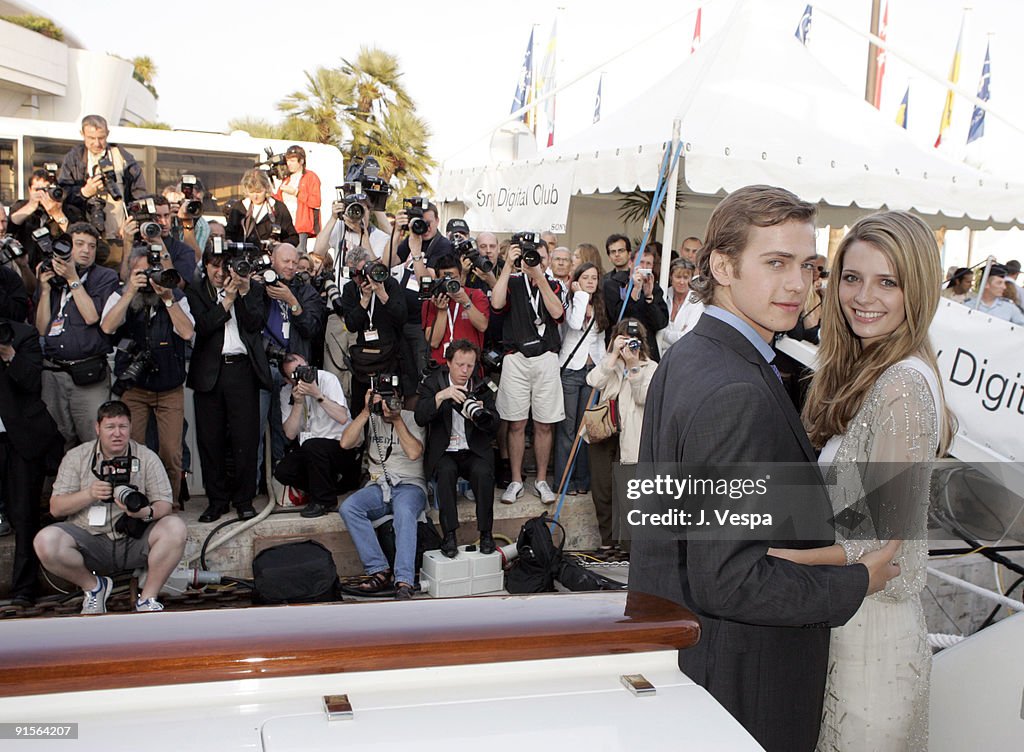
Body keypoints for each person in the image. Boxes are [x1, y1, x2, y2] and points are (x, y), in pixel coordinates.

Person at [631, 185, 900, 752]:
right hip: (744, 680)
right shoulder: (735, 386)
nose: (798, 284)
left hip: (700, 663)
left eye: (808, 265)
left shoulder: (691, 353)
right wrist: (856, 580)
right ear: (722, 265)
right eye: (775, 263)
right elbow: (729, 578)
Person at [771, 210, 954, 752]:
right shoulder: (870, 368)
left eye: (887, 281)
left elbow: (876, 541)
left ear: (915, 289)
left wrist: (767, 560)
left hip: (873, 640)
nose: (863, 296)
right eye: (852, 278)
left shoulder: (901, 384)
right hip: (849, 621)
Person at [33, 400, 188, 613]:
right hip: (90, 537)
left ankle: (148, 598)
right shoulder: (77, 457)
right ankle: (94, 587)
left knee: (175, 527)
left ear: (130, 427)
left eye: (123, 426)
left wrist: (145, 512)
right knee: (45, 541)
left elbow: (164, 503)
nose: (117, 433)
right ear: (98, 428)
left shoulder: (146, 456)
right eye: (110, 427)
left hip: (133, 536)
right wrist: (89, 494)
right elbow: (56, 508)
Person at [100, 247, 195, 504]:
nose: (149, 278)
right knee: (132, 448)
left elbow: (187, 333)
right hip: (134, 386)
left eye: (153, 272)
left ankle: (169, 503)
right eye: (141, 272)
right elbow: (108, 326)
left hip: (169, 387)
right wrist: (130, 291)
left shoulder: (174, 294)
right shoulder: (121, 293)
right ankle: (135, 503)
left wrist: (167, 298)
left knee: (171, 452)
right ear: (131, 272)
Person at [186, 242, 272, 522]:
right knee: (210, 441)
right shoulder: (197, 290)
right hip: (209, 372)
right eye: (215, 265)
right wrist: (227, 299)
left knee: (244, 438)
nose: (221, 273)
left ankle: (244, 499)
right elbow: (204, 325)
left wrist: (243, 292)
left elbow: (254, 324)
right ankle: (217, 500)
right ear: (206, 266)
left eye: (226, 265)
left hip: (242, 371)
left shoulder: (253, 288)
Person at [0, 278, 64, 606]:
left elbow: (29, 382)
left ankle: (24, 589)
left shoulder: (21, 335)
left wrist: (8, 353)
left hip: (21, 439)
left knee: (24, 515)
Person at [492, 237, 566, 504]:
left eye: (540, 257)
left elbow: (558, 313)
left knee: (545, 424)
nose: (534, 260)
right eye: (529, 256)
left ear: (546, 260)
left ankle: (542, 480)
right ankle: (515, 480)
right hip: (517, 358)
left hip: (546, 357)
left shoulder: (556, 284)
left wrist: (540, 278)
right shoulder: (512, 282)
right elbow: (497, 304)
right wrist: (508, 266)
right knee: (516, 423)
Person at [35, 222, 119, 448]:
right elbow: (42, 328)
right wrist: (44, 290)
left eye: (92, 246)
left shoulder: (105, 277)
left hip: (88, 374)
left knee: (93, 443)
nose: (86, 251)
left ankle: (95, 485)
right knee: (54, 443)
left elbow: (92, 316)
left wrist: (72, 279)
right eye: (79, 244)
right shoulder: (53, 276)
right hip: (53, 373)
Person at [339, 385, 426, 601]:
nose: (388, 404)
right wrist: (366, 411)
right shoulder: (372, 417)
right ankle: (378, 569)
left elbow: (415, 452)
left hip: (410, 486)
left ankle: (404, 580)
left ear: (401, 400)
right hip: (378, 486)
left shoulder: (413, 418)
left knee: (404, 512)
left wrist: (397, 420)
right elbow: (345, 442)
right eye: (384, 399)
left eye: (392, 399)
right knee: (349, 508)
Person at [415, 339, 499, 558]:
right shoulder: (433, 383)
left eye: (470, 366)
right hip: (445, 451)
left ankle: (486, 533)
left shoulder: (481, 386)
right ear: (449, 363)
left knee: (483, 472)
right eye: (460, 365)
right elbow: (420, 417)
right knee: (445, 472)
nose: (465, 370)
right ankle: (449, 534)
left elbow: (496, 425)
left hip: (473, 450)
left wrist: (484, 414)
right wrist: (442, 396)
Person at [586, 318, 657, 548]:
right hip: (604, 433)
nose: (630, 345)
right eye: (625, 338)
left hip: (632, 436)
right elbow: (593, 381)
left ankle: (629, 548)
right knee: (602, 489)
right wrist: (613, 355)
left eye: (633, 340)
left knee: (628, 494)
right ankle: (607, 541)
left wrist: (634, 365)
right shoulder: (612, 362)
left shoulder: (651, 367)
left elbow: (643, 397)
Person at [274, 354, 359, 518]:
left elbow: (342, 418)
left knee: (312, 446)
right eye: (296, 374)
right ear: (287, 380)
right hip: (311, 451)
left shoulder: (327, 379)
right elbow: (290, 434)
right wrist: (298, 403)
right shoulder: (286, 393)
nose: (303, 376)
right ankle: (327, 486)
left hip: (339, 446)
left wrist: (317, 394)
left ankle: (324, 501)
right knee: (283, 471)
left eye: (304, 368)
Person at [57, 115, 147, 268]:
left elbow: (140, 195)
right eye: (91, 138)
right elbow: (61, 195)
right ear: (82, 134)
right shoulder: (73, 158)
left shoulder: (124, 158)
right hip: (84, 235)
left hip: (116, 236)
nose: (97, 143)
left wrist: (130, 221)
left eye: (101, 137)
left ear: (108, 134)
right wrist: (84, 192)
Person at [554, 262, 608, 497]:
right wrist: (580, 296)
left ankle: (582, 480)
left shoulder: (600, 305)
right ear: (577, 280)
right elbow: (575, 324)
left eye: (594, 278)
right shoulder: (574, 300)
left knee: (585, 429)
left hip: (590, 372)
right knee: (567, 429)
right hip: (570, 371)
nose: (590, 281)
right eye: (585, 277)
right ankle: (564, 481)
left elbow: (600, 342)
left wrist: (604, 371)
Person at [601, 240, 669, 360]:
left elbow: (661, 323)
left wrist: (649, 298)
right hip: (619, 351)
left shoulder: (655, 289)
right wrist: (634, 291)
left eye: (648, 264)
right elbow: (616, 317)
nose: (644, 267)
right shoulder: (613, 284)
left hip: (646, 352)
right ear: (631, 263)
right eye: (641, 262)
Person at [421, 254, 489, 366]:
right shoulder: (431, 302)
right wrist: (442, 311)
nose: (449, 283)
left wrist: (466, 302)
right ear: (437, 279)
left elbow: (482, 326)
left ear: (461, 275)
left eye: (453, 278)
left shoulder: (475, 295)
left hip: (468, 365)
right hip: (441, 365)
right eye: (445, 279)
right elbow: (433, 342)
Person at [226, 169, 299, 247]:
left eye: (259, 192)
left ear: (266, 188)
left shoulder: (278, 208)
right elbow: (229, 234)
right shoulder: (239, 208)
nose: (255, 196)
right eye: (251, 192)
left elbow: (293, 238)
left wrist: (280, 245)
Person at [273, 145, 321, 249]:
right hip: (285, 226)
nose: (289, 164)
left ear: (301, 161)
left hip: (300, 227)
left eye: (293, 160)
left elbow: (316, 202)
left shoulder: (311, 177)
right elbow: (279, 200)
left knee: (299, 257)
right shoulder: (286, 179)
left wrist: (296, 193)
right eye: (288, 160)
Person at [657, 258, 704, 353]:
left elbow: (687, 337)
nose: (682, 282)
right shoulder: (662, 295)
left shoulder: (697, 302)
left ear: (691, 279)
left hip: (684, 355)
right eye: (678, 277)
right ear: (671, 277)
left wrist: (662, 333)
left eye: (686, 278)